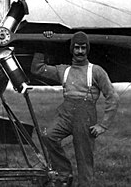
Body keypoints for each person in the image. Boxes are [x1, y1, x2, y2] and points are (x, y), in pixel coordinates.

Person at [31, 31, 119, 187]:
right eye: (77, 47)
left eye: (83, 48)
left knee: (84, 159)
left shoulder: (96, 71)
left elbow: (112, 97)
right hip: (65, 113)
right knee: (48, 135)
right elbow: (37, 68)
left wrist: (103, 125)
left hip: (85, 117)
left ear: (87, 49)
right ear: (72, 49)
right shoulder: (64, 70)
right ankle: (64, 171)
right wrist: (43, 42)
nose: (80, 51)